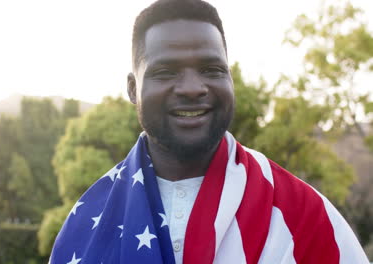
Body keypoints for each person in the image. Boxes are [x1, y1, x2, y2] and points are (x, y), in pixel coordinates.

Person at [49, 0, 369, 263]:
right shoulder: (85, 223)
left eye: (211, 69)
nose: (192, 88)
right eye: (166, 71)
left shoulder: (305, 216)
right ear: (133, 89)